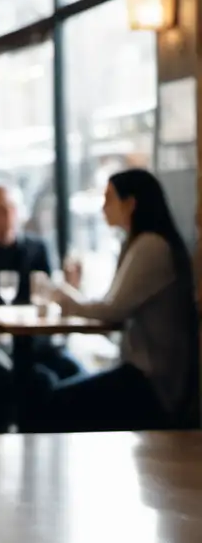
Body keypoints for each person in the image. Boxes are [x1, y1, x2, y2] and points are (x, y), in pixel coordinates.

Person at [40, 170, 199, 432]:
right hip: (146, 376)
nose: (103, 207)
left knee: (56, 403)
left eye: (109, 198)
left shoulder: (151, 246)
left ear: (130, 204)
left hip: (154, 386)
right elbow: (113, 307)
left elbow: (112, 310)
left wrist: (63, 296)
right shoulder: (138, 243)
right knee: (55, 390)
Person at [0, 185, 82, 432]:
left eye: (11, 208)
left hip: (31, 344)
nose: (7, 215)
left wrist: (70, 288)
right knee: (7, 378)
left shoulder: (38, 248)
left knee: (69, 375)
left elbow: (47, 297)